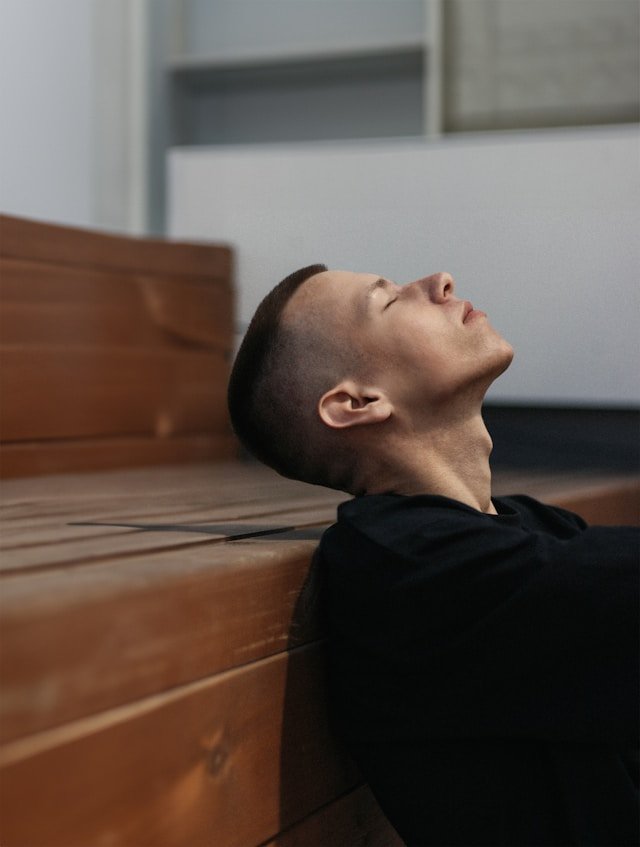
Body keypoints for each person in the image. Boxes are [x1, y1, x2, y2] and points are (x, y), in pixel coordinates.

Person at [227, 264, 639, 847]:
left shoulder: (529, 525)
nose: (439, 281)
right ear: (357, 402)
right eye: (390, 300)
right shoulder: (403, 569)